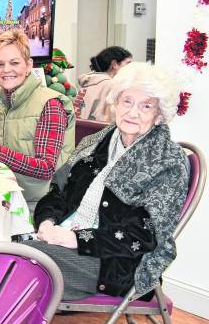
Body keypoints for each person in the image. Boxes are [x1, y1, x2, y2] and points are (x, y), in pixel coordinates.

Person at [25, 62, 188, 300]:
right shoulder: (97, 142)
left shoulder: (167, 161)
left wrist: (75, 239)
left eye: (146, 106)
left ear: (159, 115)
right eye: (127, 101)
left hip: (118, 266)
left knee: (20, 262)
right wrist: (47, 222)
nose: (133, 112)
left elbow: (144, 236)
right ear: (115, 103)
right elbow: (59, 190)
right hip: (64, 237)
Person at [0, 29, 75, 205]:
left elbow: (46, 168)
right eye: (0, 64)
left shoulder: (50, 104)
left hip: (41, 206)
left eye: (14, 63)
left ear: (29, 65)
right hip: (7, 198)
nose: (6, 70)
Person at [77, 46, 132, 122]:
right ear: (114, 64)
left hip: (79, 129)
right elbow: (104, 119)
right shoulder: (110, 85)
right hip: (94, 131)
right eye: (128, 64)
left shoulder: (90, 80)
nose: (131, 68)